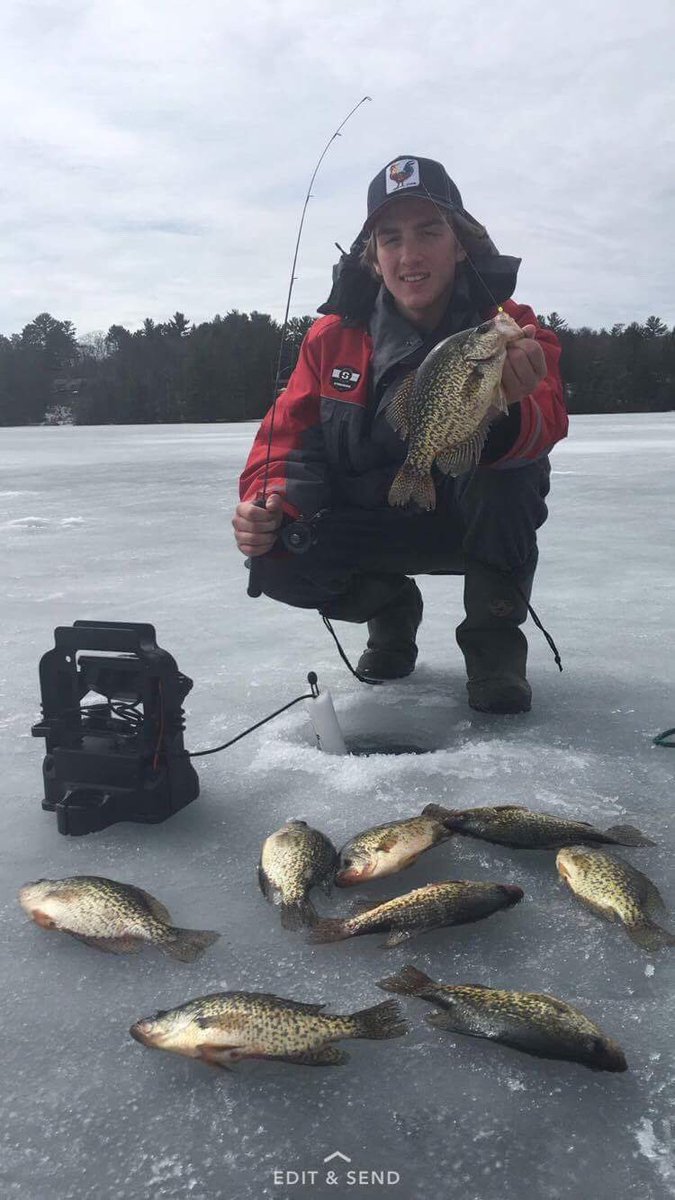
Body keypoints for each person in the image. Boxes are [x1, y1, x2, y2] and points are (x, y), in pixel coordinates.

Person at [233, 155, 567, 714]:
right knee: (275, 556)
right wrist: (268, 505)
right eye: (391, 239)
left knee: (513, 476)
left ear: (460, 244)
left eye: (429, 232)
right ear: (373, 255)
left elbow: (548, 418)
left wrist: (510, 408)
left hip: (466, 516)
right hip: (374, 517)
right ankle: (390, 606)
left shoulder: (509, 325)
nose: (409, 256)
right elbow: (287, 442)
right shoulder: (329, 340)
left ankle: (494, 651)